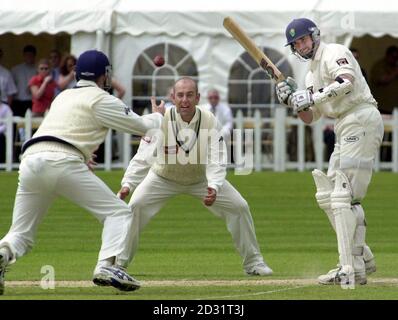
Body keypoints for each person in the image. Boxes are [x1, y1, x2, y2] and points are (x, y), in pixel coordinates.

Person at [0, 49, 165, 295]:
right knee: (118, 213)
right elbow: (139, 126)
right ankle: (106, 266)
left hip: (32, 161)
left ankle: (2, 255)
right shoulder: (100, 98)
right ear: (105, 74)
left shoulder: (63, 96)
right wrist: (159, 116)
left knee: (21, 234)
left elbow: (63, 129)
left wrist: (80, 154)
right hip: (62, 162)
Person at [117, 77, 273, 277]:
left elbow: (217, 157)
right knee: (135, 206)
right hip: (162, 177)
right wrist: (128, 184)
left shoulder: (209, 120)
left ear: (198, 98)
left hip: (201, 180)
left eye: (190, 95)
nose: (185, 100)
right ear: (173, 97)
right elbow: (144, 155)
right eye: (180, 95)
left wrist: (214, 186)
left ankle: (253, 263)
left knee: (240, 207)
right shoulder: (160, 119)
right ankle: (119, 264)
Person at [276, 18, 383, 287]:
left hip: (360, 117)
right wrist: (294, 101)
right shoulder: (311, 75)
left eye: (303, 39)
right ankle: (360, 262)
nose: (301, 46)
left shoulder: (334, 52)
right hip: (344, 125)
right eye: (296, 44)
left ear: (314, 36)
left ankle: (348, 268)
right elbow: (311, 117)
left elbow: (346, 82)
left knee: (342, 196)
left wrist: (310, 97)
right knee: (329, 195)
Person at [370, 45, 398, 115]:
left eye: (396, 57)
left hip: (394, 106)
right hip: (382, 106)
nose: (395, 59)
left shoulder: (395, 66)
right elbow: (382, 80)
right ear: (387, 55)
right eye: (393, 56)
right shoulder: (380, 65)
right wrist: (395, 72)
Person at [11, 45, 37, 117]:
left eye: (31, 55)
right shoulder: (15, 69)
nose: (29, 57)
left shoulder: (37, 69)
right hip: (17, 101)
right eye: (27, 55)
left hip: (31, 101)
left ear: (34, 56)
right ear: (24, 56)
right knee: (17, 123)